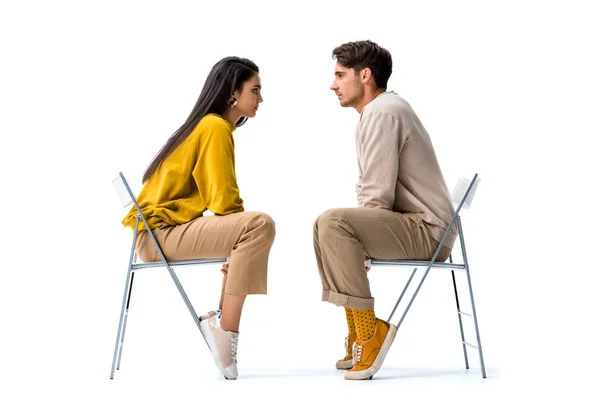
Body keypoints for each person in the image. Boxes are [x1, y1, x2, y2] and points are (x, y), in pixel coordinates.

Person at [121, 56, 275, 380]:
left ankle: (220, 325)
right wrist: (237, 244)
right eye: (255, 90)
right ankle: (226, 331)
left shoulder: (207, 124)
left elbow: (221, 208)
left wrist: (237, 250)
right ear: (233, 93)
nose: (261, 98)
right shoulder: (215, 127)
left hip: (155, 232)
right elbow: (223, 201)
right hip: (159, 234)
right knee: (259, 225)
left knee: (249, 231)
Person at [313, 40, 457, 380]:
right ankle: (359, 332)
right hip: (420, 227)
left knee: (333, 222)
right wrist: (360, 236)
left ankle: (369, 332)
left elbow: (376, 191)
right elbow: (373, 190)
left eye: (339, 75)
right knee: (325, 224)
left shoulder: (383, 112)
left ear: (365, 75)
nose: (332, 84)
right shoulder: (379, 111)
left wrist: (360, 235)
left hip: (427, 232)